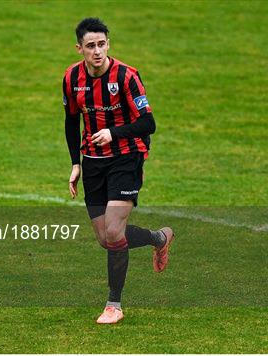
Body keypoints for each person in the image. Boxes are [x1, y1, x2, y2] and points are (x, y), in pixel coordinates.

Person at [63, 17, 174, 324]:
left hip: (127, 156)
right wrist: (75, 162)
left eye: (102, 44)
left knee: (114, 230)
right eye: (90, 46)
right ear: (80, 48)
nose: (97, 51)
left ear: (108, 44)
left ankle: (114, 305)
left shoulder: (126, 77)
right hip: (94, 161)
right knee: (105, 238)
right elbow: (72, 120)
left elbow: (148, 123)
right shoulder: (72, 78)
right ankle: (158, 238)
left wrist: (114, 133)